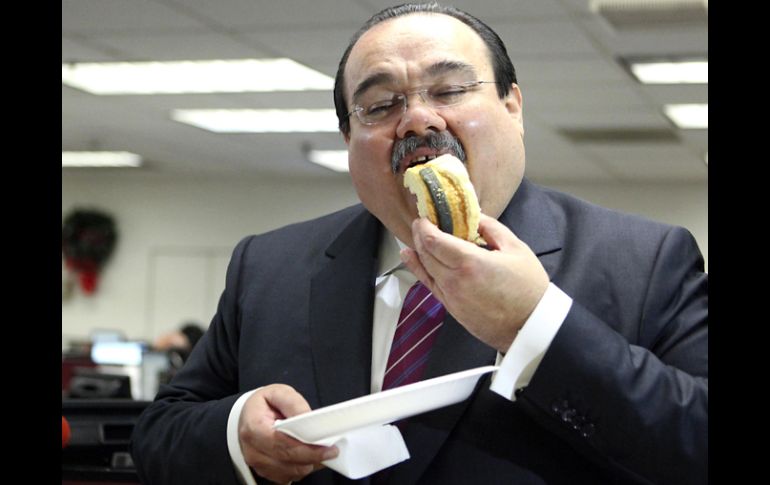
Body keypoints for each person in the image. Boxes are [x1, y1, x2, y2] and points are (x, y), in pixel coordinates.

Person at [130, 3, 708, 484]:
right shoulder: (268, 265)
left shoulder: (646, 259)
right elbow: (160, 432)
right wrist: (238, 434)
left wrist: (533, 325)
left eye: (451, 89)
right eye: (381, 105)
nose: (416, 120)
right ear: (348, 138)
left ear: (513, 106)